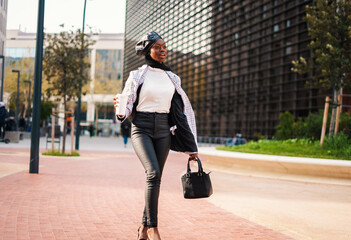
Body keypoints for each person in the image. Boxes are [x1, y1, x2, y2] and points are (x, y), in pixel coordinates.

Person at [113, 31, 198, 240]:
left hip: (163, 131)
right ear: (148, 50)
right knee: (152, 173)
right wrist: (121, 110)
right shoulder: (137, 75)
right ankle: (153, 228)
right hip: (141, 127)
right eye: (158, 47)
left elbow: (179, 115)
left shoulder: (173, 78)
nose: (163, 51)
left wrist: (191, 148)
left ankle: (143, 229)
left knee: (156, 178)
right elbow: (127, 103)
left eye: (165, 47)